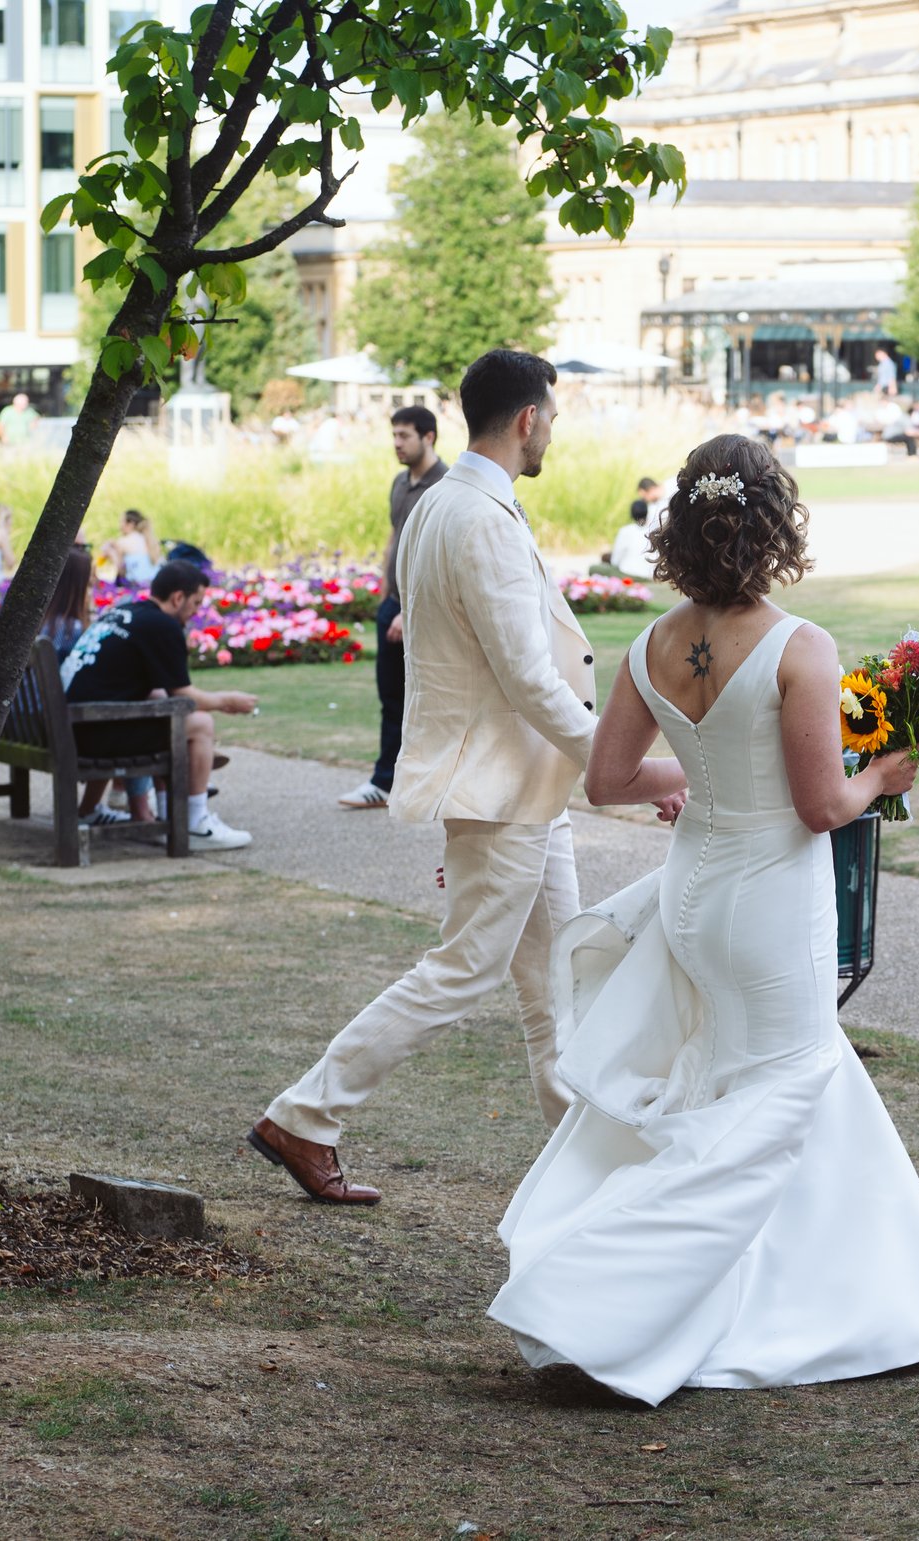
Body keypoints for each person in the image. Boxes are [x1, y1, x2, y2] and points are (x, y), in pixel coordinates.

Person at [488, 432, 919, 1405]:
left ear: (683, 524)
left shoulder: (651, 644)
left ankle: (852, 1301)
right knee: (783, 1085)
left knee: (758, 1084)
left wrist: (710, 779)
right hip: (765, 901)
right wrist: (884, 770)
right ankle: (597, 1300)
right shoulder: (800, 645)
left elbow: (613, 776)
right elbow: (819, 806)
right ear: (773, 521)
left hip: (694, 892)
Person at [251, 349, 686, 1205]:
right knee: (465, 971)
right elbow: (528, 677)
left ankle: (586, 1164)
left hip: (525, 786)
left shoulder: (452, 504)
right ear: (527, 419)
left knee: (554, 986)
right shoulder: (475, 515)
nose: (553, 431)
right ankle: (305, 1114)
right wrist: (620, 761)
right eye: (552, 418)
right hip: (499, 789)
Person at [58, 559, 257, 848]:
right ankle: (194, 823)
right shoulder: (162, 625)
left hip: (70, 726)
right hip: (91, 736)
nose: (196, 612)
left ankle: (169, 816)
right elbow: (185, 696)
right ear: (178, 598)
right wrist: (227, 701)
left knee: (163, 705)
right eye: (196, 603)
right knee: (200, 724)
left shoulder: (125, 611)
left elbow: (161, 692)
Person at [338, 405, 448, 811]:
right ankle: (387, 782)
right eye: (395, 436)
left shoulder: (445, 484)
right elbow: (396, 537)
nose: (397, 444)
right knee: (392, 699)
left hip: (421, 614)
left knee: (429, 699)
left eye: (405, 436)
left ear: (429, 436)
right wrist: (387, 593)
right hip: (393, 606)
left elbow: (437, 555)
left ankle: (424, 782)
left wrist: (409, 610)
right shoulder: (400, 483)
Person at [611, 478, 660, 578]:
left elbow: (615, 560)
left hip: (629, 573)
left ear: (632, 514)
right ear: (647, 513)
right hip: (651, 574)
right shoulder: (655, 531)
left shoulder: (625, 531)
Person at [112, 509, 161, 585]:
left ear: (130, 524)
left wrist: (110, 553)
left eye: (121, 521)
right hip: (157, 583)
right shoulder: (151, 540)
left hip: (138, 587)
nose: (119, 526)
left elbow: (121, 572)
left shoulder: (123, 541)